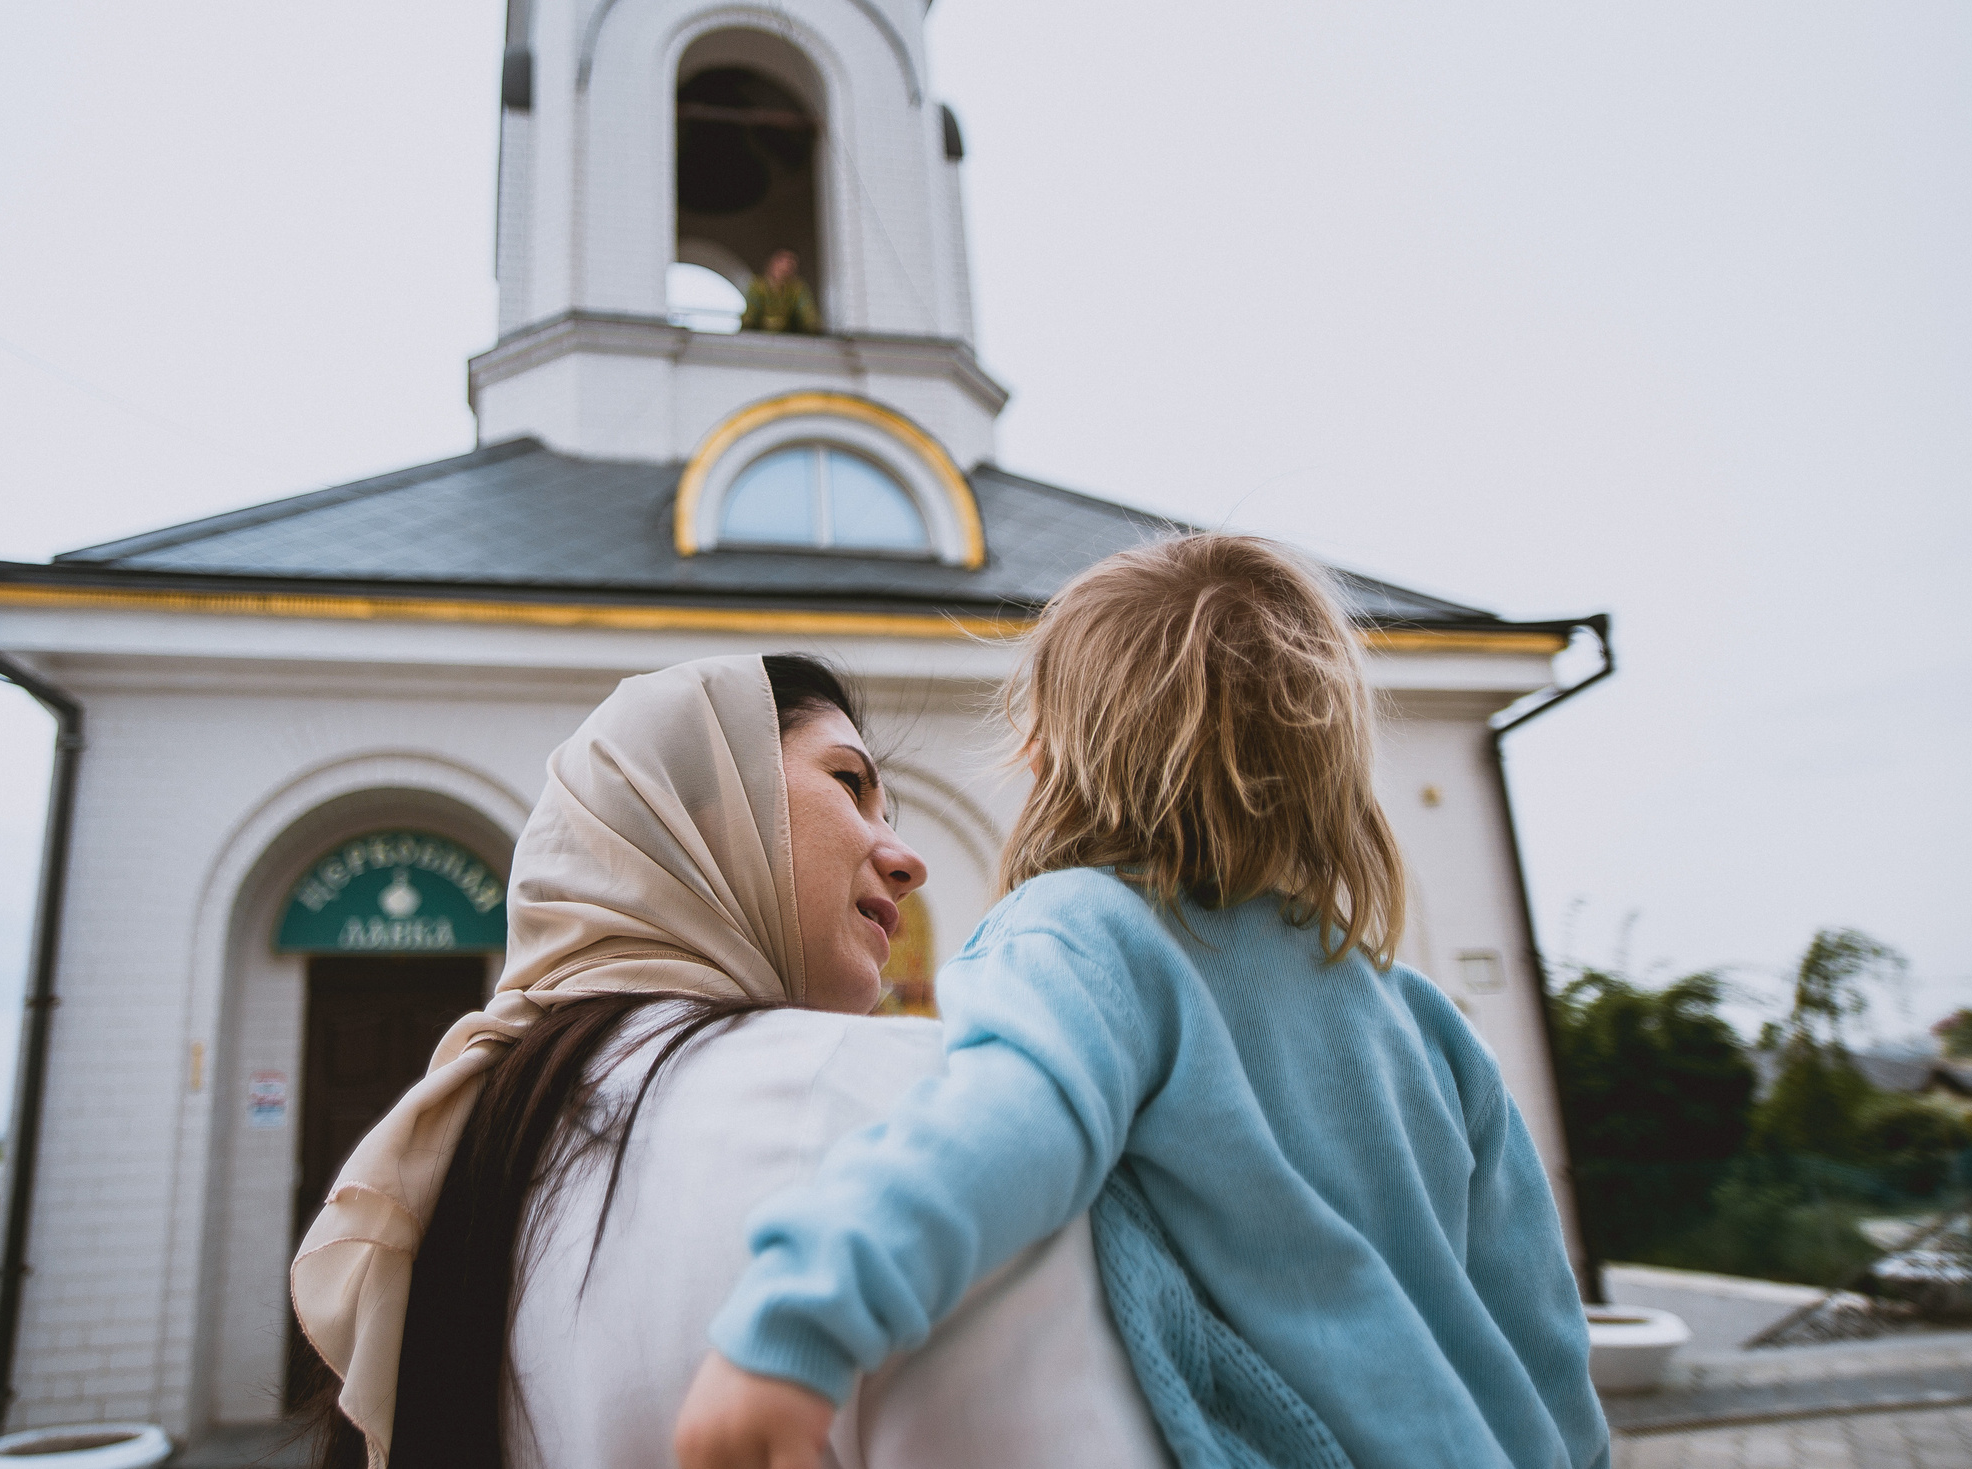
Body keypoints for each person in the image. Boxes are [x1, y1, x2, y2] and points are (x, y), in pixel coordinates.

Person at [676, 536, 1613, 1469]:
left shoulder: (1089, 933)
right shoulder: (1428, 1022)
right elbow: (1543, 1336)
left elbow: (1001, 1126)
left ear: (1050, 756)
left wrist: (799, 1321)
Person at [291, 653, 1163, 1469]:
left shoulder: (476, 1136)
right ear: (701, 807)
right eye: (850, 785)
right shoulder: (910, 1109)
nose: (906, 860)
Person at [739, 249, 821, 334]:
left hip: (789, 337)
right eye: (783, 262)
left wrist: (814, 327)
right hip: (761, 337)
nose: (787, 267)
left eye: (791, 263)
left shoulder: (797, 288)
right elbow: (750, 315)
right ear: (773, 264)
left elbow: (808, 314)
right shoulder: (759, 286)